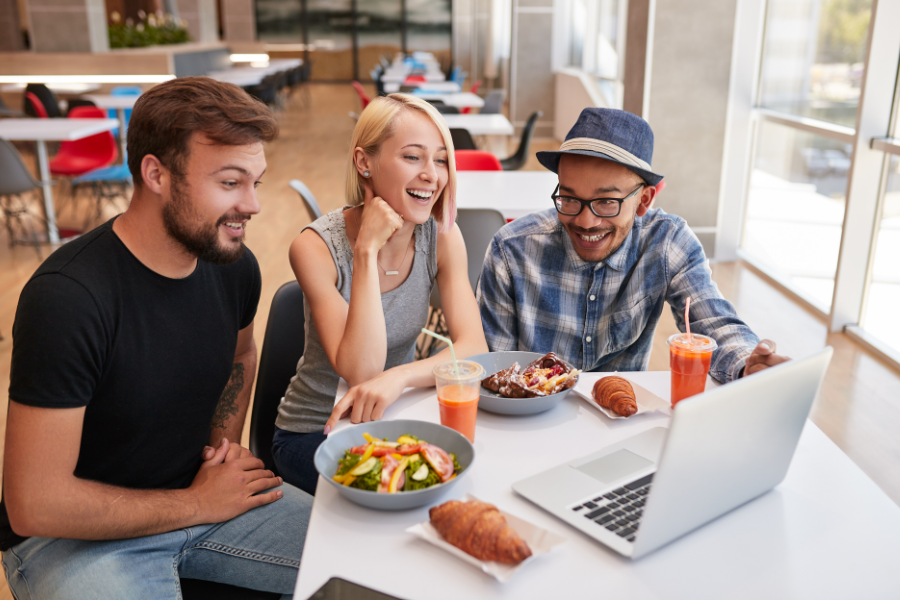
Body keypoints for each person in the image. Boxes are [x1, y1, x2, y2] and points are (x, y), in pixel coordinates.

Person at [1, 77, 312, 599]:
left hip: (199, 494)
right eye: (232, 183)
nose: (253, 205)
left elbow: (241, 353)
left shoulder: (233, 266)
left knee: (365, 559)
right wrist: (195, 505)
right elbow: (34, 502)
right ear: (156, 174)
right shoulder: (68, 299)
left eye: (256, 182)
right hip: (71, 537)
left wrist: (221, 450)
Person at [272, 94, 488, 495]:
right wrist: (367, 251)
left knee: (462, 480)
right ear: (364, 162)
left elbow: (473, 346)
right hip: (316, 430)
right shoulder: (315, 247)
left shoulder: (441, 235)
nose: (432, 175)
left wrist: (401, 378)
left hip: (396, 418)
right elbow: (363, 371)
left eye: (441, 160)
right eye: (413, 157)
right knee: (408, 496)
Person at [477, 107, 789, 381]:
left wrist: (749, 363)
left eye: (606, 202)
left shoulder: (667, 243)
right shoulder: (511, 250)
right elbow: (493, 370)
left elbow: (715, 323)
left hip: (623, 422)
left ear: (644, 201)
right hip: (532, 420)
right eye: (569, 198)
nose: (585, 222)